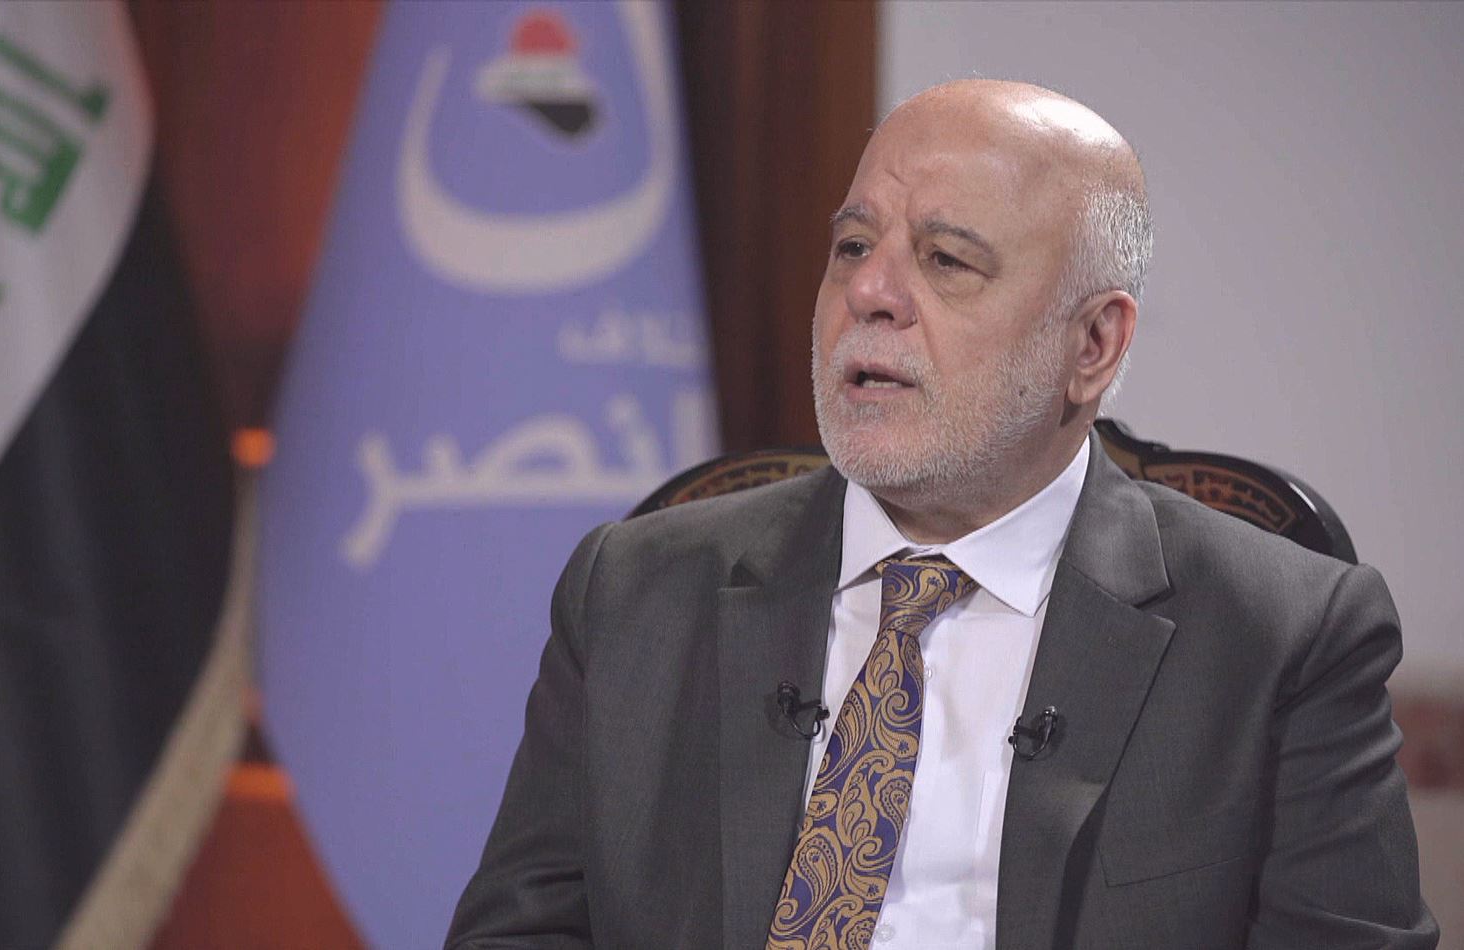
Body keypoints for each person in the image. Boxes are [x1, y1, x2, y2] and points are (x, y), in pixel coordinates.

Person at [445, 80, 1437, 949]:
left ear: (1093, 344)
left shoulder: (1281, 637)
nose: (870, 292)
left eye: (947, 260)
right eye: (852, 245)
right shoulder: (634, 591)